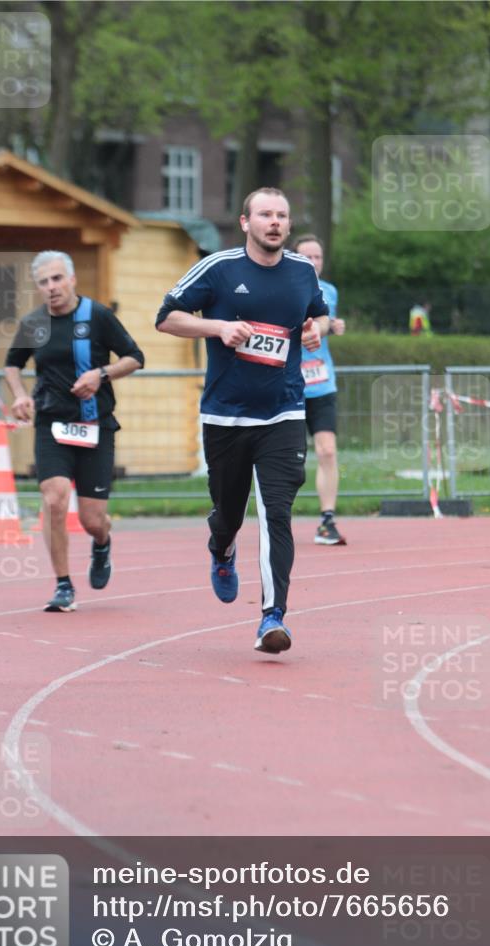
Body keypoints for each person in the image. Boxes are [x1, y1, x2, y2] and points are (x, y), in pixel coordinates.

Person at [156, 187, 329, 654]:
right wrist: (218, 328)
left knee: (278, 511)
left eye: (282, 215)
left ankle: (273, 617)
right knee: (228, 513)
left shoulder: (301, 273)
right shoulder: (218, 268)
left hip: (284, 411)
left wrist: (314, 332)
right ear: (245, 222)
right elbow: (166, 318)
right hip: (226, 416)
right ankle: (221, 549)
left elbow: (317, 317)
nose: (274, 222)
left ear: (289, 226)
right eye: (265, 214)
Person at [4, 251, 144, 612]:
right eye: (43, 282)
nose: (51, 288)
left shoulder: (96, 316)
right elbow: (12, 365)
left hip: (96, 426)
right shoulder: (33, 323)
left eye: (56, 279)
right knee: (54, 499)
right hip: (52, 424)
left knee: (90, 519)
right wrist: (20, 397)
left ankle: (102, 541)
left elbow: (134, 357)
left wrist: (101, 374)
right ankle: (63, 585)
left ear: (71, 279)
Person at [292, 234, 347, 546]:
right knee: (290, 459)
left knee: (327, 450)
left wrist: (333, 326)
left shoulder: (329, 291)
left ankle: (327, 519)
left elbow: (325, 322)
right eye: (307, 257)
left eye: (318, 257)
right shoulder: (282, 287)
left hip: (322, 382)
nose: (313, 263)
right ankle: (276, 517)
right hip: (289, 385)